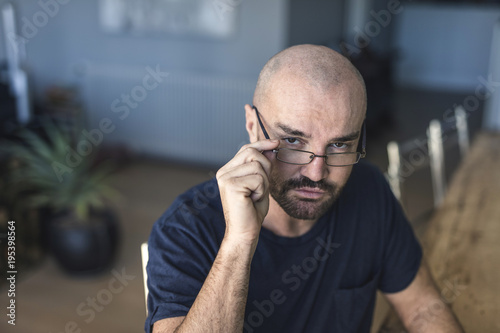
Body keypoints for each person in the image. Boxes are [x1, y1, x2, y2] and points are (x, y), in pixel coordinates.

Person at [145, 44, 464, 333]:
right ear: (253, 126)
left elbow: (423, 306)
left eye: (340, 145)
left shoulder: (369, 191)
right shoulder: (186, 228)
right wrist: (239, 242)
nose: (316, 172)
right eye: (293, 141)